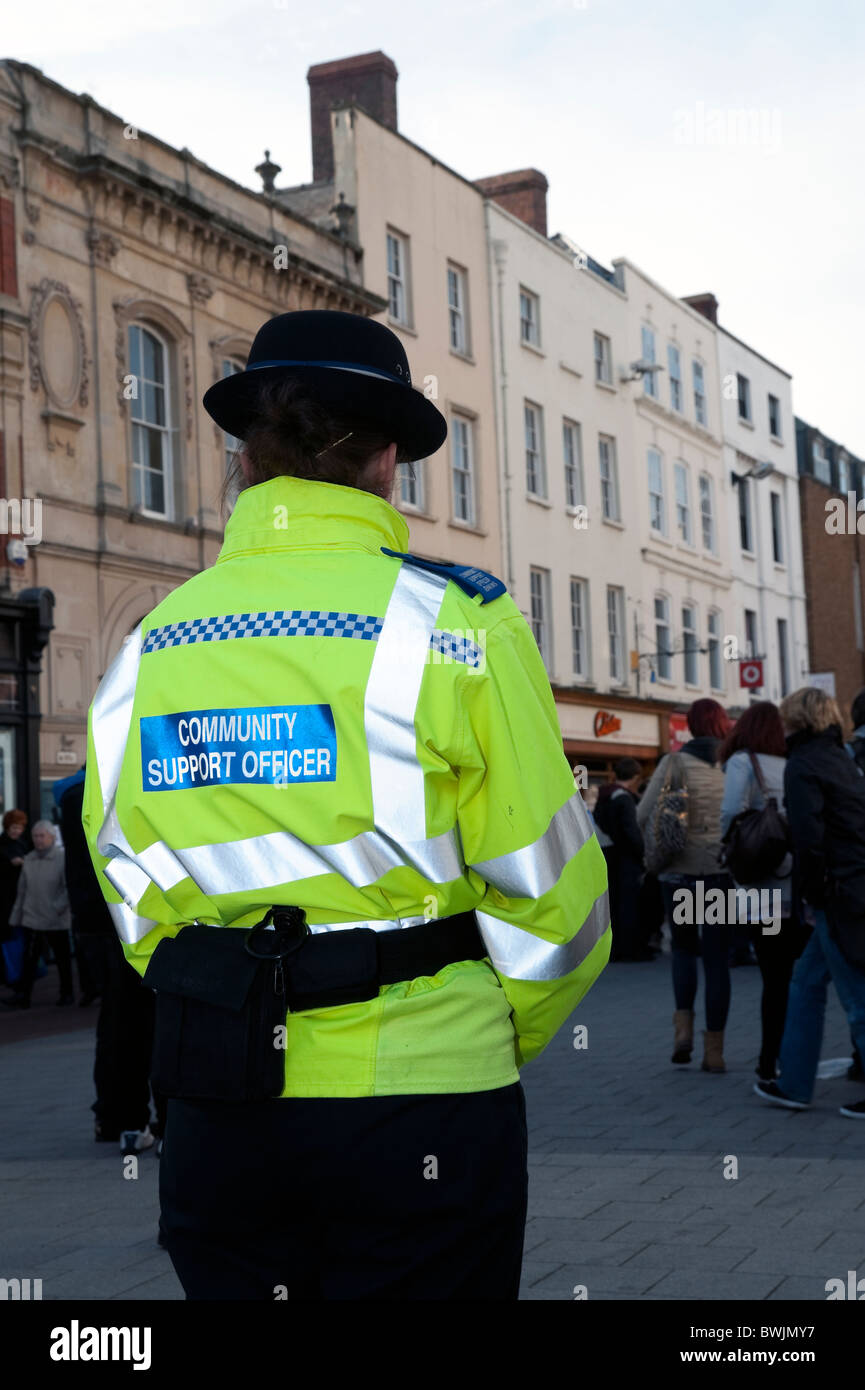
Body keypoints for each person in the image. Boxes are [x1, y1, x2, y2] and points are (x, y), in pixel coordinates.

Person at [82, 309, 610, 1301]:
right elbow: (559, 898)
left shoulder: (153, 642)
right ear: (389, 458)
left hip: (220, 1105)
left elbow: (124, 880)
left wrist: (227, 993)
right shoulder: (460, 620)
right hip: (422, 1099)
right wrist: (492, 1030)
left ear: (247, 458)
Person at [755, 687, 865, 1119]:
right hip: (851, 885)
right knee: (805, 981)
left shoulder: (802, 764)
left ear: (796, 719)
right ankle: (794, 1083)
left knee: (855, 994)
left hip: (835, 892)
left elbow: (808, 839)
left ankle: (796, 1083)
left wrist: (809, 896)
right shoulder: (841, 759)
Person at [57, 767, 159, 1155]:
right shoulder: (133, 781)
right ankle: (162, 1117)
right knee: (159, 1016)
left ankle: (119, 1118)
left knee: (116, 1022)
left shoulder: (72, 796)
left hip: (96, 922)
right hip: (140, 917)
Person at [638, 698, 733, 1073]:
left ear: (690, 726)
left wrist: (649, 849)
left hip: (678, 876)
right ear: (723, 725)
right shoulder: (732, 764)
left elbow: (642, 813)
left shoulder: (674, 762)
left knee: (682, 951)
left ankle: (683, 1036)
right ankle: (715, 1052)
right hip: (719, 875)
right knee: (717, 959)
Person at [719, 701, 808, 1081]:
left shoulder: (743, 762)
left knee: (773, 979)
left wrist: (728, 848)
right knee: (795, 976)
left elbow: (729, 812)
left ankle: (769, 1060)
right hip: (797, 884)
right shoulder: (793, 764)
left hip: (761, 890)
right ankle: (793, 1056)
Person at [4, 821, 72, 1007]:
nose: (39, 840)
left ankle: (67, 993)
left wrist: (57, 907)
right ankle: (23, 996)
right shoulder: (30, 859)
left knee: (62, 959)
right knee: (29, 959)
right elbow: (22, 891)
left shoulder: (62, 858)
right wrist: (16, 917)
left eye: (42, 836)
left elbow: (68, 888)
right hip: (32, 917)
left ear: (52, 837)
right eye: (35, 836)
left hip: (55, 919)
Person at [594, 758, 652, 961]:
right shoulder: (624, 799)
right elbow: (631, 831)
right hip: (626, 858)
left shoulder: (605, 795)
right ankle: (630, 949)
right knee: (630, 905)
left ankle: (615, 948)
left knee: (614, 904)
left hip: (608, 855)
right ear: (636, 777)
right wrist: (642, 853)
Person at [0, 809, 31, 992]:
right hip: (5, 897)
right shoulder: (4, 845)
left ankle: (16, 973)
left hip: (20, 896)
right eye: (13, 827)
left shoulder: (23, 843)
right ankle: (11, 974)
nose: (16, 831)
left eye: (19, 827)